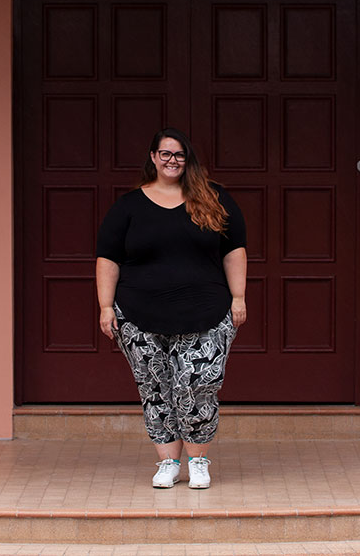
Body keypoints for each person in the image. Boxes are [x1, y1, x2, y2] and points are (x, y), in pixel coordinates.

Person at [96, 127, 247, 490]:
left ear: (188, 159)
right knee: (155, 388)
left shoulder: (214, 199)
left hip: (206, 313)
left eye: (179, 155)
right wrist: (105, 306)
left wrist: (238, 297)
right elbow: (108, 259)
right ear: (153, 158)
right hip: (138, 314)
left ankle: (198, 461)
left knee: (198, 384)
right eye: (165, 154)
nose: (172, 161)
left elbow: (234, 250)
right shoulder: (129, 206)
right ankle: (168, 462)